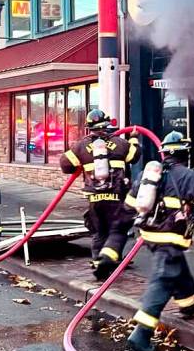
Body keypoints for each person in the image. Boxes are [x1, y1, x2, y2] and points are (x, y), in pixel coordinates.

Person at [124, 131, 194, 351]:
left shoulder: (150, 174)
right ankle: (141, 335)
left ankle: (188, 305)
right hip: (171, 236)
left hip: (150, 234)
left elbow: (130, 203)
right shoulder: (187, 175)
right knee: (163, 280)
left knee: (179, 272)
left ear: (165, 152)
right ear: (184, 153)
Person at [60, 109, 140, 280]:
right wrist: (133, 138)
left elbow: (65, 165)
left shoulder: (81, 146)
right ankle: (110, 258)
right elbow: (135, 156)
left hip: (95, 198)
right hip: (116, 196)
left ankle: (98, 262)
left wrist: (81, 160)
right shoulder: (120, 143)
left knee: (99, 231)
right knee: (117, 230)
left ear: (89, 127)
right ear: (107, 124)